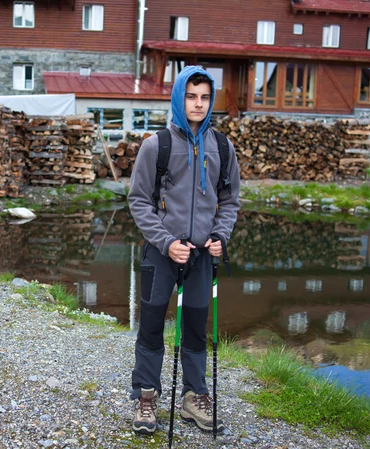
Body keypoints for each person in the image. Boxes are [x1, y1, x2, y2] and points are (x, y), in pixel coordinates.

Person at [127, 66, 241, 435]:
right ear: (179, 97)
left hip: (202, 259)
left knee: (194, 332)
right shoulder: (156, 145)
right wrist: (166, 241)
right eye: (191, 96)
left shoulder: (222, 147)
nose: (198, 103)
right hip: (162, 255)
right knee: (150, 331)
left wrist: (221, 236)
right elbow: (139, 201)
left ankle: (194, 398)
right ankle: (146, 398)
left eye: (205, 97)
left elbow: (231, 200)